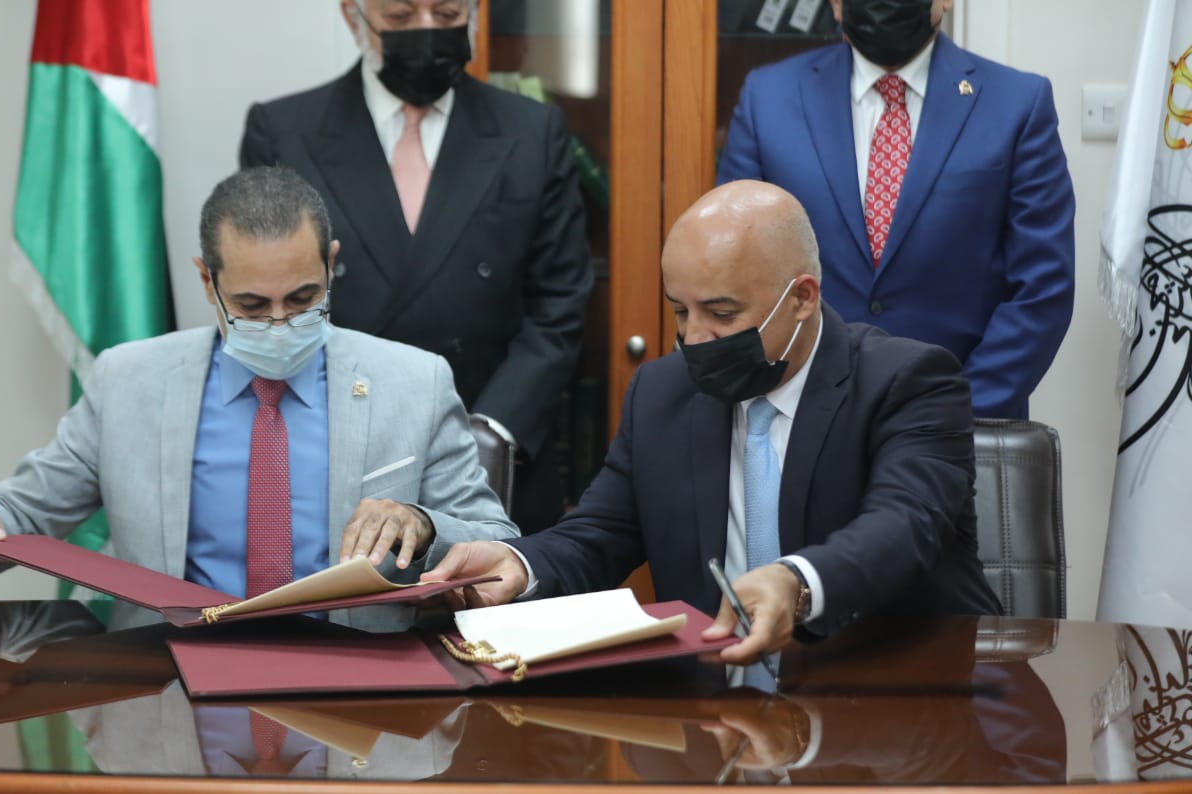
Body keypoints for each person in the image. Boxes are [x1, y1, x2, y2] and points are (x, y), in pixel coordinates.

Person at [423, 180, 1002, 663]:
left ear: (802, 297)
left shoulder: (907, 382)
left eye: (722, 313)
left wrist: (796, 581)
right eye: (681, 311)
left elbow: (903, 526)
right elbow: (599, 533)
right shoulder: (662, 393)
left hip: (895, 701)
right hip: (714, 706)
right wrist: (519, 562)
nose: (695, 339)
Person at [0, 166, 517, 633]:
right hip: (170, 680)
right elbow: (26, 512)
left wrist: (421, 523)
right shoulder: (128, 381)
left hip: (358, 685)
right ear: (207, 281)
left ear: (331, 263)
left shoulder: (415, 382)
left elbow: (499, 540)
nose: (281, 322)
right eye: (252, 306)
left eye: (303, 298)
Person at [239, 0, 595, 534]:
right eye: (402, 17)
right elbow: (268, 308)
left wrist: (490, 433)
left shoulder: (533, 130)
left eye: (446, 13)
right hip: (337, 457)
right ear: (353, 16)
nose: (426, 30)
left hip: (496, 459)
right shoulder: (284, 132)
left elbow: (560, 304)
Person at [717, 0, 1074, 419]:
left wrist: (954, 412)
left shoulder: (1018, 103)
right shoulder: (768, 97)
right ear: (835, 4)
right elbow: (733, 264)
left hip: (960, 425)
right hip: (798, 418)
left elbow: (1042, 286)